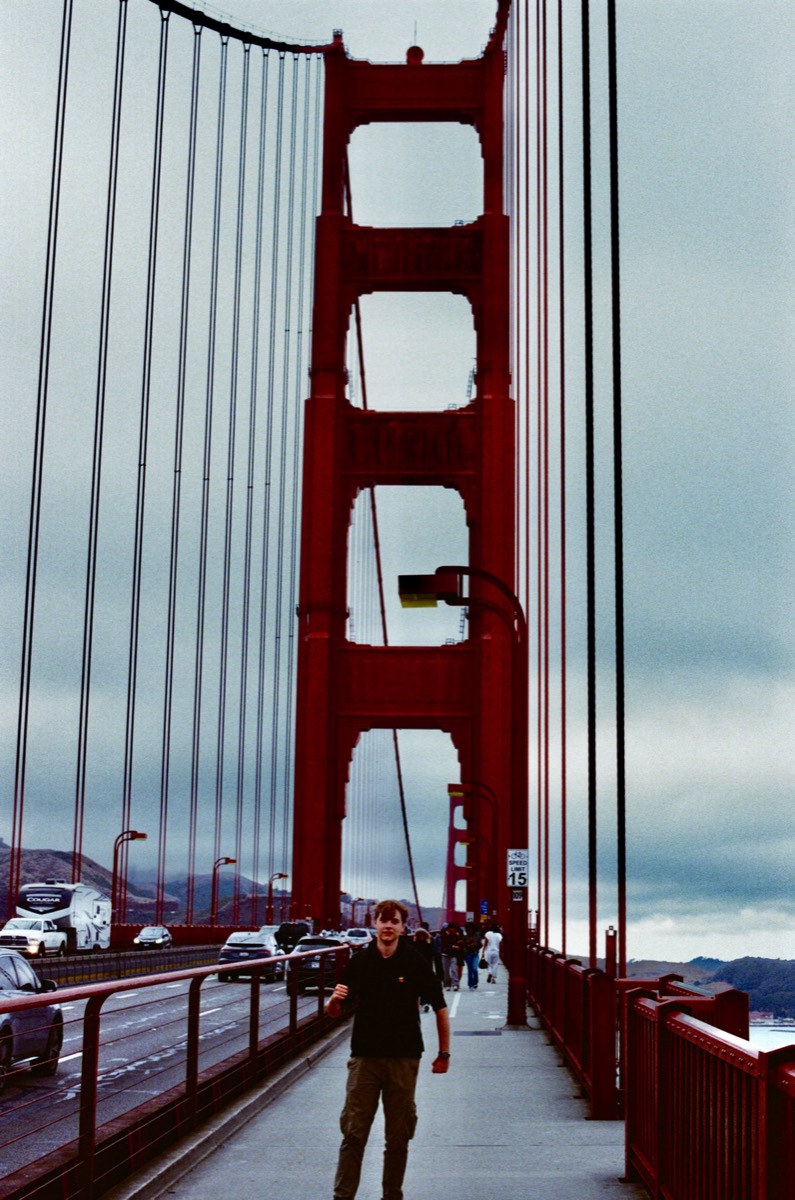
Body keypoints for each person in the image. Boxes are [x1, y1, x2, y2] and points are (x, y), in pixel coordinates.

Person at [326, 898, 450, 1200]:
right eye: (384, 920)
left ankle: (392, 1195)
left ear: (402, 927)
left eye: (395, 921)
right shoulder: (360, 961)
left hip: (404, 1058)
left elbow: (440, 1008)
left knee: (398, 1137)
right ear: (375, 924)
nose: (388, 926)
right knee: (354, 1134)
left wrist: (444, 1053)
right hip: (364, 1058)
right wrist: (333, 1001)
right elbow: (335, 1012)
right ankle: (343, 1197)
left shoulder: (414, 960)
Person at [439, 921, 464, 991]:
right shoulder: (443, 935)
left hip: (453, 955)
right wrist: (454, 946)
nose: (453, 930)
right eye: (452, 929)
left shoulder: (456, 935)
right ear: (449, 929)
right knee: (446, 971)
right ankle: (447, 984)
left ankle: (455, 984)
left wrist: (459, 944)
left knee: (454, 969)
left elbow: (459, 942)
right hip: (445, 955)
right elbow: (445, 945)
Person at [462, 923, 481, 990]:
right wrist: (468, 946)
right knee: (470, 970)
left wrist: (474, 944)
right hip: (468, 954)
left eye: (471, 929)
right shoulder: (465, 937)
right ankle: (470, 985)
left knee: (475, 968)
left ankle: (475, 982)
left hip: (475, 954)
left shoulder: (477, 936)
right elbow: (463, 946)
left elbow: (480, 945)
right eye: (468, 929)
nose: (470, 930)